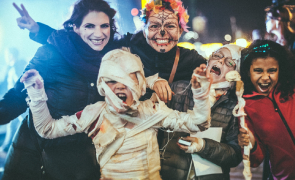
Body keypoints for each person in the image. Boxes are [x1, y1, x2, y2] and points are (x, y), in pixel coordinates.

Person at [15, 1, 208, 179]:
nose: (162, 33)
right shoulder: (128, 48)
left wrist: (202, 90)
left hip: (168, 149)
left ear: (181, 30)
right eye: (155, 26)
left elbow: (220, 74)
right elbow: (75, 44)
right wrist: (37, 30)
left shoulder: (189, 60)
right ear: (144, 29)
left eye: (171, 26)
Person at [22, 48, 211, 180]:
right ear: (103, 85)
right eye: (112, 80)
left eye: (128, 79)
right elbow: (47, 129)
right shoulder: (94, 114)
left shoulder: (152, 110)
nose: (120, 86)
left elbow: (199, 123)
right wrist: (36, 94)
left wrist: (201, 95)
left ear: (138, 84)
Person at [0, 0, 118, 179]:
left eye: (104, 26)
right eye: (89, 26)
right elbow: (18, 96)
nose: (98, 33)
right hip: (35, 158)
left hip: (82, 162)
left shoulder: (113, 60)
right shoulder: (51, 54)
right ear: (75, 28)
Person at [238, 25, 295, 180]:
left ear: (280, 69)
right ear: (247, 72)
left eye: (271, 71)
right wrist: (252, 144)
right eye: (258, 71)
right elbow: (256, 160)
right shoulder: (245, 107)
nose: (265, 77)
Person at [176, 44, 243, 180]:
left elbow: (235, 156)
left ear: (235, 73)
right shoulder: (179, 89)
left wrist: (203, 146)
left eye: (229, 62)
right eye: (217, 56)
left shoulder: (235, 107)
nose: (220, 61)